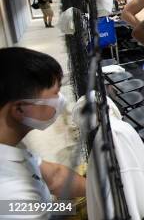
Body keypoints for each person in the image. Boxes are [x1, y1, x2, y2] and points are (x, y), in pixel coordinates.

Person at [0, 47, 86, 211]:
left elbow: (55, 177)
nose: (61, 99)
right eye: (55, 92)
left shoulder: (10, 147)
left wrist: (96, 192)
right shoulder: (11, 191)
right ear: (19, 109)